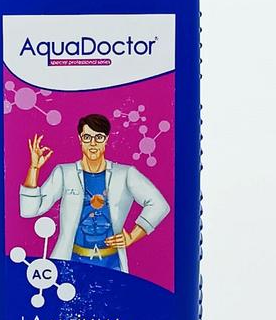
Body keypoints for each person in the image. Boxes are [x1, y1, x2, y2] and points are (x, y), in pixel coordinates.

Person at [19, 113, 170, 273]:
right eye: (87, 137)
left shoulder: (125, 174)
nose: (93, 143)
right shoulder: (65, 173)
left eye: (99, 137)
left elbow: (159, 205)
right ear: (80, 139)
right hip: (71, 264)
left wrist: (133, 236)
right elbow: (29, 211)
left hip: (113, 265)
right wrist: (34, 168)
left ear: (106, 139)